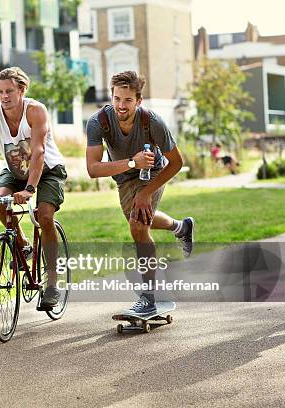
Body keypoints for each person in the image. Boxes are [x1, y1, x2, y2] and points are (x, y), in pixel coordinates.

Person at [85, 71, 195, 315]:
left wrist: (145, 193)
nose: (121, 106)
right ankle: (181, 227)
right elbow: (93, 169)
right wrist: (133, 163)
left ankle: (149, 297)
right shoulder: (98, 122)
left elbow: (176, 162)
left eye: (127, 100)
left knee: (138, 226)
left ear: (138, 101)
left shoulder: (152, 122)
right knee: (142, 220)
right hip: (125, 175)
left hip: (153, 173)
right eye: (116, 99)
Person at [0, 67, 67, 310]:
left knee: (44, 215)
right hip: (15, 169)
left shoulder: (35, 111)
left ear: (22, 90)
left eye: (9, 91)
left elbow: (37, 152)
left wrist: (29, 189)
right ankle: (23, 245)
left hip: (47, 170)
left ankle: (52, 285)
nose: (3, 97)